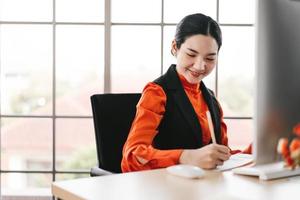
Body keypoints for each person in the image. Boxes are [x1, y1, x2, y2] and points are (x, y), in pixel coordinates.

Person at [121, 13, 241, 172]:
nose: (199, 66)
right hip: (165, 189)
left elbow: (223, 154)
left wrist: (256, 152)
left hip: (205, 189)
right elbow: (132, 157)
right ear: (174, 47)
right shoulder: (156, 93)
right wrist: (186, 157)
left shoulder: (211, 98)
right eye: (191, 54)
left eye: (210, 58)